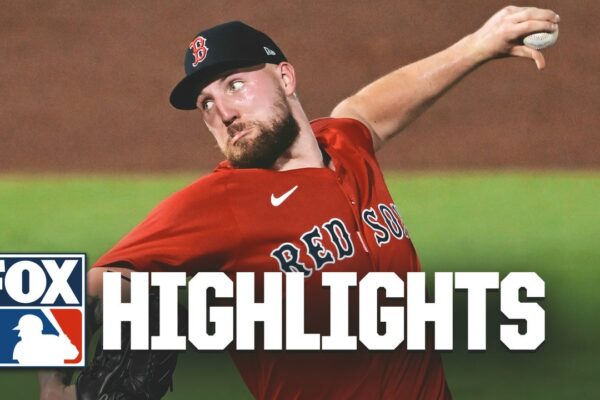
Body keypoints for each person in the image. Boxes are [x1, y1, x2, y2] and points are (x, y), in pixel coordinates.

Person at [38, 5, 559, 400]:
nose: (223, 112)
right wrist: (52, 384)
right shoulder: (221, 201)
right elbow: (57, 291)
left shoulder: (346, 147)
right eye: (206, 103)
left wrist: (477, 45)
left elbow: (367, 112)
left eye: (235, 85)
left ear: (285, 78)